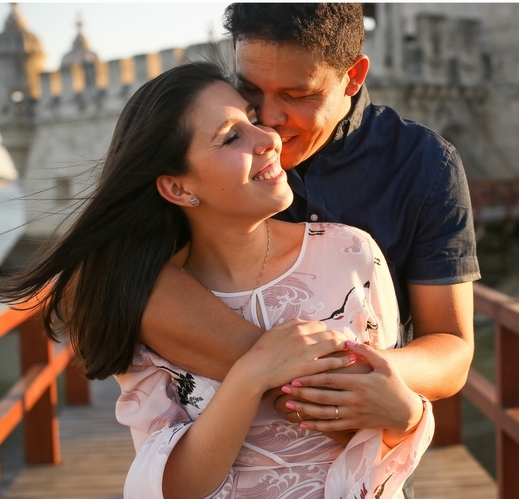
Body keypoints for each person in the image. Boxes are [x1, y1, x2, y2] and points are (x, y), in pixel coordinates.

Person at [0, 62, 435, 499]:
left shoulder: (352, 252)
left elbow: (377, 422)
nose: (268, 137)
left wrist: (406, 416)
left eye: (253, 117)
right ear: (178, 187)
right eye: (230, 137)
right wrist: (250, 377)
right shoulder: (140, 297)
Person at [139, 1, 479, 465]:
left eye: (297, 95)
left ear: (353, 77)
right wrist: (287, 372)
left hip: (367, 461)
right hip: (213, 464)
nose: (270, 121)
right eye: (250, 88)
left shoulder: (424, 165)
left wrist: (366, 380)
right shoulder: (203, 150)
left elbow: (453, 347)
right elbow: (104, 273)